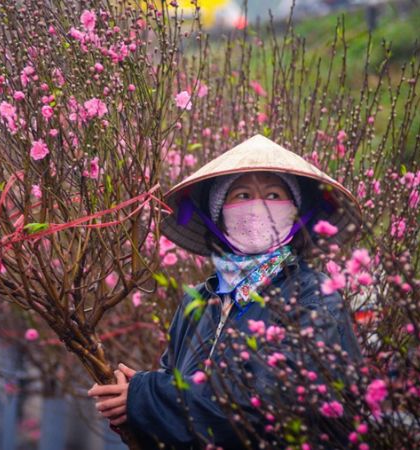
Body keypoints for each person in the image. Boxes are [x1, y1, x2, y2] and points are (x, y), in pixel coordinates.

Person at [88, 135, 364, 448]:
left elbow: (268, 404)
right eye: (242, 194)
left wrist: (144, 396)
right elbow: (176, 390)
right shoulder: (200, 301)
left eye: (273, 194)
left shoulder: (315, 298)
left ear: (294, 213)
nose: (257, 206)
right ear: (219, 214)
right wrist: (133, 409)